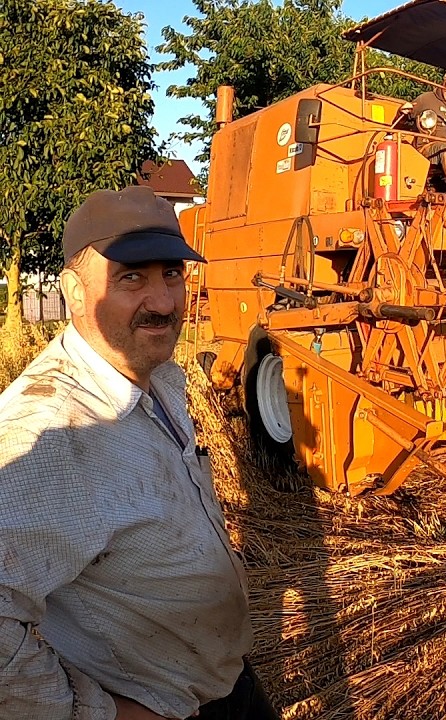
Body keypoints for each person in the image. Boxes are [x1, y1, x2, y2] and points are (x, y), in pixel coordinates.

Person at [0, 186, 277, 719]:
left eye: (171, 274)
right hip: (155, 702)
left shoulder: (161, 377)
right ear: (75, 292)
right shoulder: (49, 432)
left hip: (220, 678)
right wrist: (95, 715)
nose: (164, 302)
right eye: (132, 278)